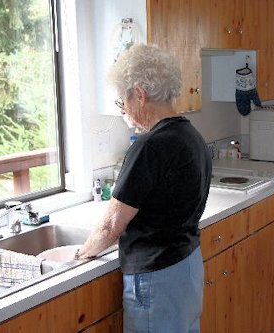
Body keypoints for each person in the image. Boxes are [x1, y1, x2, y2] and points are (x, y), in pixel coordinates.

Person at [76, 44, 212, 333]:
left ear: (139, 94)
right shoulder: (192, 136)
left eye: (121, 102)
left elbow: (112, 225)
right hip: (187, 267)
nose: (123, 110)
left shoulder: (150, 146)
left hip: (157, 278)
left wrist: (81, 254)